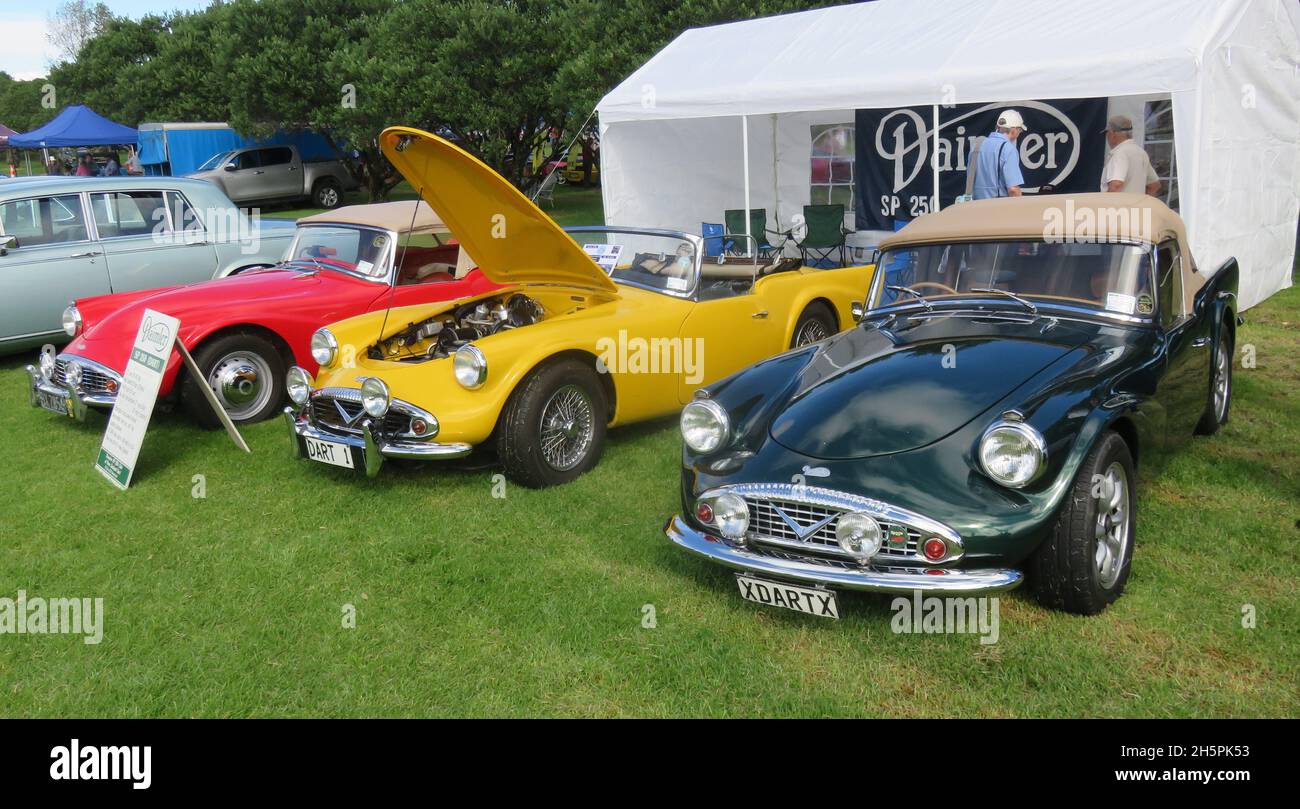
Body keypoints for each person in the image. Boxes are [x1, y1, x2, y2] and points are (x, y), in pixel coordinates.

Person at [966, 109, 1027, 200]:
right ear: (1014, 130)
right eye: (1020, 131)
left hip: (975, 207)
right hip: (998, 208)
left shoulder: (976, 145)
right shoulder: (1009, 149)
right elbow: (1013, 190)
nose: (1019, 134)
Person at [1100, 114, 1161, 195]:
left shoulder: (1120, 153)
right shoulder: (1141, 152)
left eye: (1106, 133)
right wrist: (1140, 202)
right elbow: (1154, 185)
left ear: (1112, 134)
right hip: (1137, 206)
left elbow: (1116, 185)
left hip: (1118, 206)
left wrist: (1106, 203)